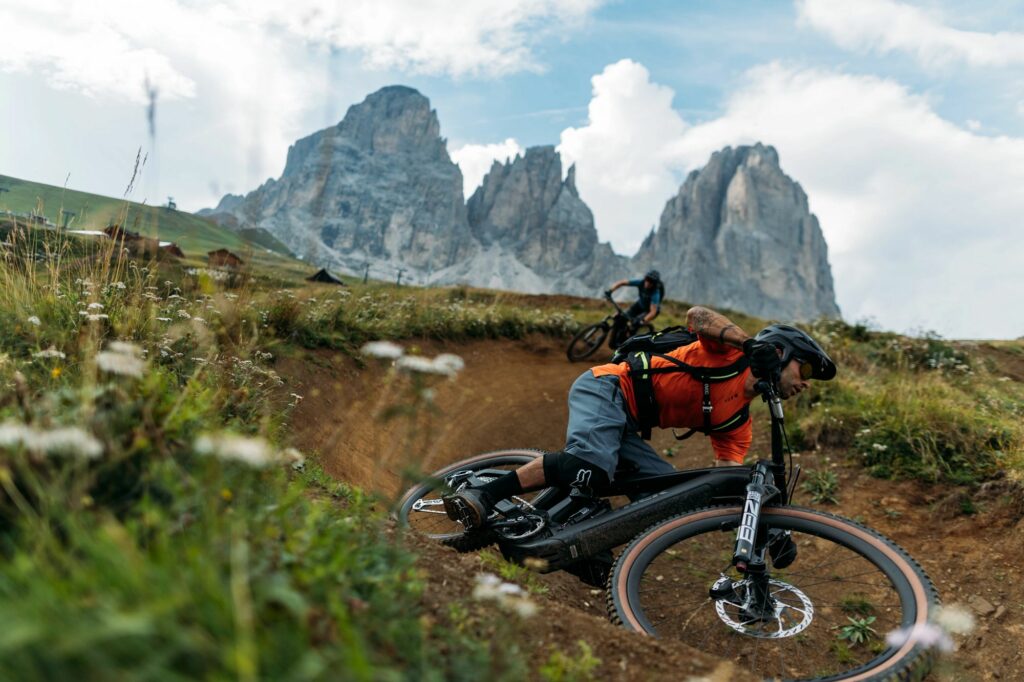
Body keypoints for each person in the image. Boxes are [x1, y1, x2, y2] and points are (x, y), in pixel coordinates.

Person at [443, 305, 837, 530]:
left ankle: (583, 546)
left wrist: (766, 529)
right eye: (804, 372)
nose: (805, 384)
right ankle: (482, 494)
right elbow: (697, 315)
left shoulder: (738, 421)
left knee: (664, 498)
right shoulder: (727, 355)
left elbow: (724, 478)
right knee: (588, 466)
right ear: (781, 354)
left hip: (629, 424)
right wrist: (749, 343)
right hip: (608, 387)